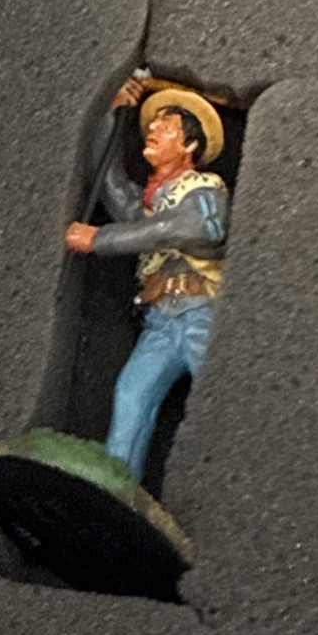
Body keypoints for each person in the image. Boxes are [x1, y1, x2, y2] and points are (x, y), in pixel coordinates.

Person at [65, 75, 230, 481]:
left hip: (203, 316)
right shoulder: (155, 202)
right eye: (153, 123)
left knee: (226, 400)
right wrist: (111, 116)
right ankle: (115, 491)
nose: (153, 128)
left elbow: (191, 229)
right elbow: (113, 188)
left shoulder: (206, 191)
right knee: (131, 395)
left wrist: (100, 239)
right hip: (161, 319)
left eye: (166, 124)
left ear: (189, 145)